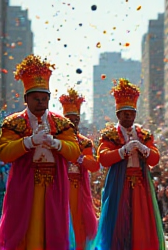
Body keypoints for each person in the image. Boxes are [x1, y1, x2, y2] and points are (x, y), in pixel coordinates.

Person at [0, 54, 80, 250]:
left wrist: (56, 144)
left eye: (45, 98)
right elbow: (4, 152)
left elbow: (74, 151)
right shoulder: (14, 123)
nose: (41, 103)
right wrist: (28, 142)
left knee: (54, 230)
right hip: (24, 184)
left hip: (55, 185)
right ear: (26, 98)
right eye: (36, 98)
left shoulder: (61, 124)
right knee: (23, 228)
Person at [95, 78, 165, 250]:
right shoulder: (109, 135)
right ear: (118, 114)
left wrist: (143, 148)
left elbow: (155, 159)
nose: (129, 116)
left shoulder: (144, 135)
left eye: (132, 112)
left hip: (140, 184)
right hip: (119, 184)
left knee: (141, 220)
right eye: (125, 112)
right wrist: (123, 151)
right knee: (118, 219)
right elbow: (103, 158)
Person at [59, 88, 100, 250]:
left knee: (78, 221)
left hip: (78, 188)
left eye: (75, 120)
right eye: (68, 119)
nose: (72, 123)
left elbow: (94, 165)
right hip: (61, 187)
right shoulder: (56, 140)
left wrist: (80, 157)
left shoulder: (84, 143)